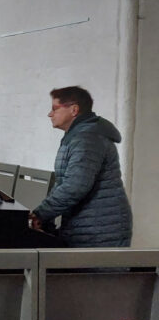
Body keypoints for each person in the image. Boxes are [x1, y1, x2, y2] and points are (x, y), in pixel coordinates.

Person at [30, 86, 132, 247]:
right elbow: (63, 183)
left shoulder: (88, 138)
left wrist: (40, 214)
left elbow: (75, 187)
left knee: (94, 273)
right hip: (87, 224)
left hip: (100, 229)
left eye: (54, 108)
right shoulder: (77, 136)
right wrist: (44, 218)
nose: (50, 114)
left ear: (74, 110)